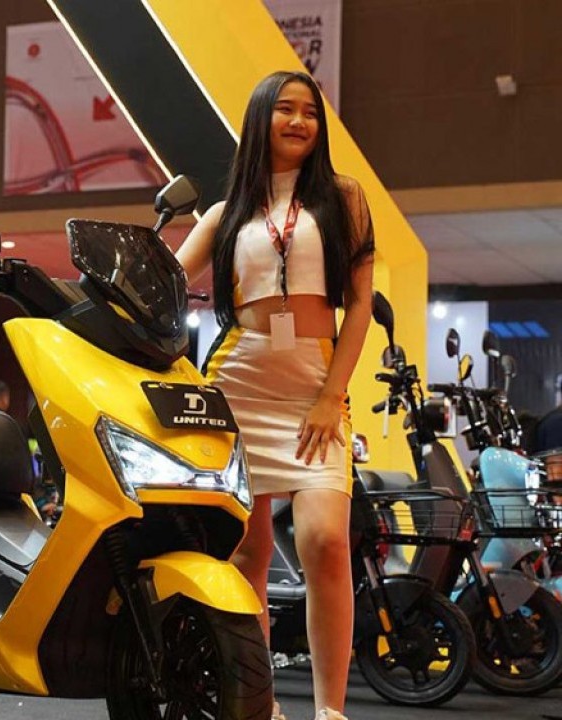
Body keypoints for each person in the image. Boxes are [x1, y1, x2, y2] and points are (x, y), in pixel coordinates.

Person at [174, 70, 375, 720]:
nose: (298, 121)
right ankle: (259, 708)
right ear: (260, 120)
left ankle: (330, 711)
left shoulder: (345, 197)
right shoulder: (225, 213)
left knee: (326, 541)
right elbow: (164, 280)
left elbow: (360, 305)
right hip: (237, 385)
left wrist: (331, 396)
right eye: (285, 109)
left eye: (309, 112)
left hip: (316, 388)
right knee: (247, 554)